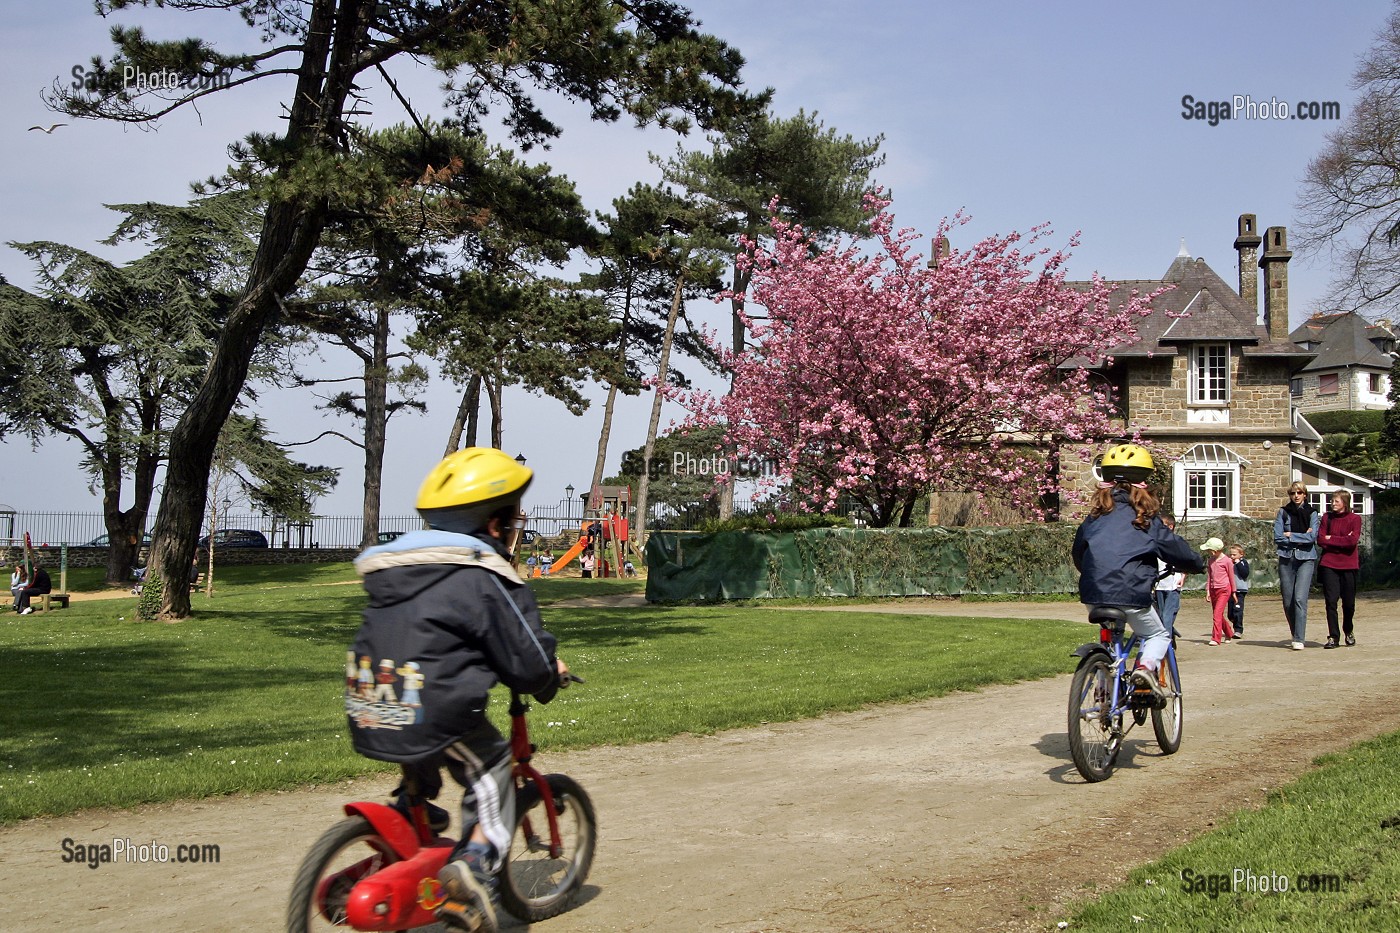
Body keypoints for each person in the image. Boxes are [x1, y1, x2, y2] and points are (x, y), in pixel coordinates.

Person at [345, 447, 569, 933]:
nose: (515, 528)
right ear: (494, 526)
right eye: (512, 519)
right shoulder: (487, 576)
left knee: (420, 737)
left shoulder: (398, 567)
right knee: (491, 770)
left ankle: (411, 810)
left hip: (371, 698)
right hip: (434, 705)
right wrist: (550, 674)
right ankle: (475, 867)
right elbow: (527, 658)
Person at [1073, 444, 1204, 699]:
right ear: (1144, 484)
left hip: (1093, 592)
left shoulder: (1094, 518)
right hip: (1131, 592)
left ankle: (1103, 685)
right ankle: (1144, 669)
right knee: (1157, 633)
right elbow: (1175, 550)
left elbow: (1079, 553)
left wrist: (1091, 572)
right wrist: (1196, 564)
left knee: (1110, 641)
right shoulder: (1146, 519)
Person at [1274, 482, 1321, 651]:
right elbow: (1278, 537)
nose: (1296, 495)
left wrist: (1291, 535)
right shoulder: (1283, 512)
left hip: (1306, 559)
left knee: (1300, 599)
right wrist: (1302, 536)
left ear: (1305, 495)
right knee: (1288, 601)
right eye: (1293, 493)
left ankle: (1299, 638)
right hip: (1286, 559)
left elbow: (1312, 537)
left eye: (1299, 492)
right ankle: (1295, 632)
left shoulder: (1312, 513)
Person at [1318, 488, 1362, 649]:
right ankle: (1333, 636)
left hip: (1349, 565)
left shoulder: (1355, 519)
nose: (1333, 504)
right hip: (1329, 564)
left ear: (1345, 503)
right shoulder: (1326, 518)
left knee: (1349, 603)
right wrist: (1340, 541)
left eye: (1336, 501)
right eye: (1332, 501)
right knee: (1331, 601)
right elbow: (1321, 539)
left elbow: (1352, 541)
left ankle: (1348, 630)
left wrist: (1332, 539)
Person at [1153, 517, 1186, 636]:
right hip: (1159, 584)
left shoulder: (1176, 542)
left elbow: (1186, 561)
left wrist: (1183, 576)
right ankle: (1168, 636)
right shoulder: (1155, 542)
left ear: (1170, 527)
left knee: (1169, 614)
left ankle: (1165, 644)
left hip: (1173, 583)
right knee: (1162, 615)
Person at [1201, 537, 1237, 646]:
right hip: (1213, 590)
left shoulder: (1227, 561)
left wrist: (1234, 592)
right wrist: (1208, 590)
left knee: (1216, 614)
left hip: (1224, 590)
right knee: (1218, 615)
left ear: (1215, 550)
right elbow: (1209, 576)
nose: (1207, 552)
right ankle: (1228, 632)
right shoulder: (1211, 560)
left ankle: (1216, 638)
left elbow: (1231, 577)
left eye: (1208, 550)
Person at [1228, 544, 1251, 638]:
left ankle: (1238, 630)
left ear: (1241, 554)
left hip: (1240, 590)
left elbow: (1245, 574)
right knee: (1230, 613)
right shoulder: (1229, 563)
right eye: (1231, 555)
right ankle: (1234, 621)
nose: (1232, 557)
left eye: (1234, 555)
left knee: (1238, 610)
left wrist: (1237, 563)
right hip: (1230, 590)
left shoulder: (1243, 562)